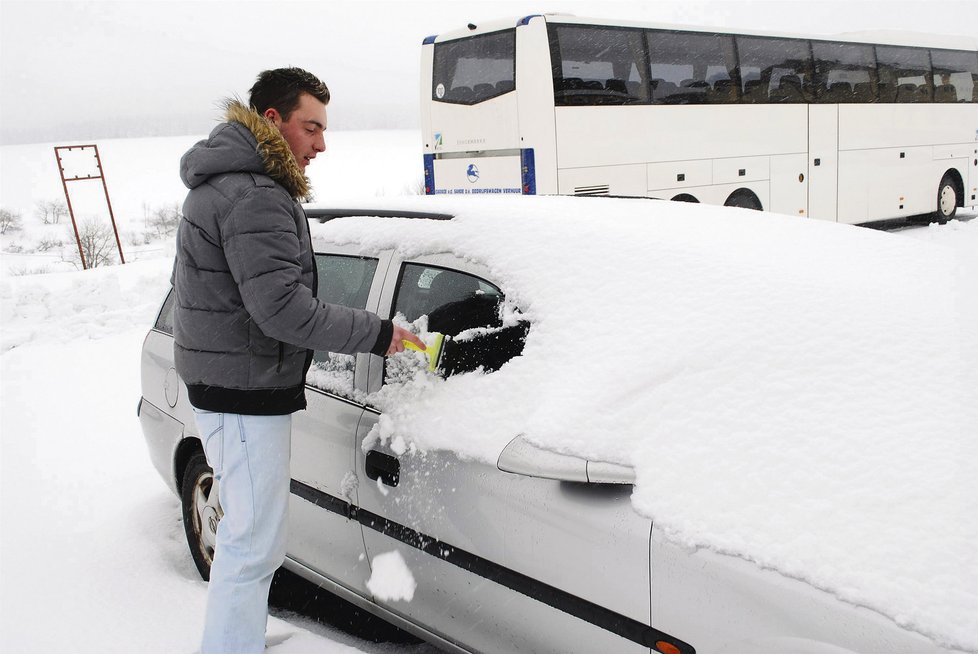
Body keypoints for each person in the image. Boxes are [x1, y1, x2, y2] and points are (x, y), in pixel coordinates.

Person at [171, 67, 424, 654]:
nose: (321, 144)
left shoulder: (230, 185)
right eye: (311, 128)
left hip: (231, 384)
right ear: (271, 120)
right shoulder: (254, 195)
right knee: (254, 544)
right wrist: (381, 333)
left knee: (247, 534)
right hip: (244, 393)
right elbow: (283, 311)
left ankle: (240, 636)